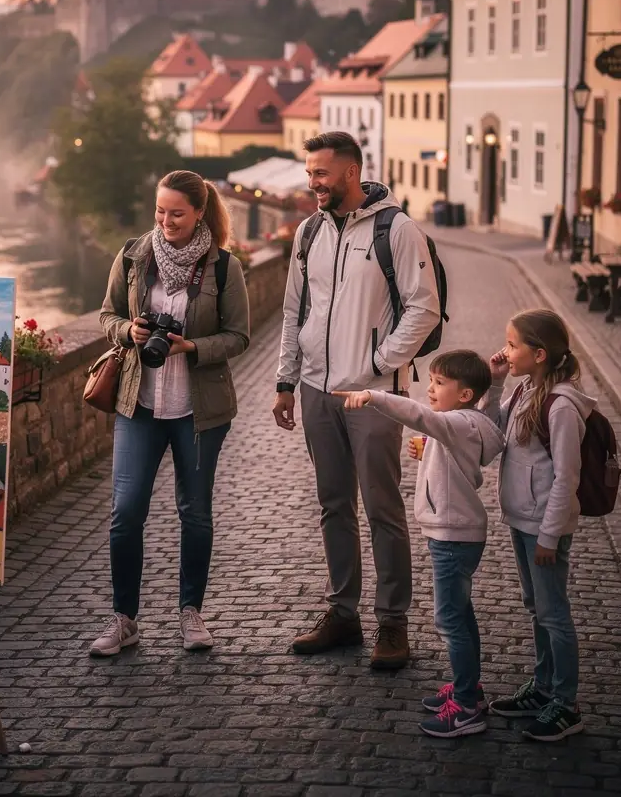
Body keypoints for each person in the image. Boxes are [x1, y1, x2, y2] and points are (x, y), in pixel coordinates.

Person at [274, 131, 441, 668]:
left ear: (350, 172)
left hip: (370, 396)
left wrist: (378, 364)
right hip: (316, 390)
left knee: (382, 507)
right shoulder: (309, 232)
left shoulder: (398, 229)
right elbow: (294, 311)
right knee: (333, 505)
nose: (312, 183)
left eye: (320, 173)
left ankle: (393, 624)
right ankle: (343, 614)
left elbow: (424, 308)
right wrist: (285, 381)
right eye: (309, 173)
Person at [91, 170, 250, 656]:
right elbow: (107, 315)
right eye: (160, 211)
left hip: (198, 412)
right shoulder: (135, 255)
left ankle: (191, 613)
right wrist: (128, 333)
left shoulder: (224, 267)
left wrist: (191, 346)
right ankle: (125, 620)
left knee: (195, 513)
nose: (166, 221)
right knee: (125, 514)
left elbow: (239, 336)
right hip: (138, 405)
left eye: (177, 213)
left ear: (199, 212)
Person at [334, 350, 505, 737]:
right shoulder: (470, 421)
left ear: (464, 395)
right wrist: (432, 449)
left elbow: (417, 416)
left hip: (452, 536)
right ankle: (470, 690)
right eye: (430, 381)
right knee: (463, 615)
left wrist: (373, 396)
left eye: (439, 383)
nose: (429, 388)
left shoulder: (454, 423)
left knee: (450, 621)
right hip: (457, 533)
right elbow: (457, 430)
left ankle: (465, 709)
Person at [483, 309, 592, 741]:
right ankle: (544, 687)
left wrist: (549, 535)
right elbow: (492, 434)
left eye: (513, 345)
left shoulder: (561, 405)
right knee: (537, 609)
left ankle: (566, 704)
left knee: (554, 613)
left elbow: (568, 477)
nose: (506, 350)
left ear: (540, 354)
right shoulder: (527, 387)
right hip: (523, 519)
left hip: (544, 528)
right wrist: (495, 384)